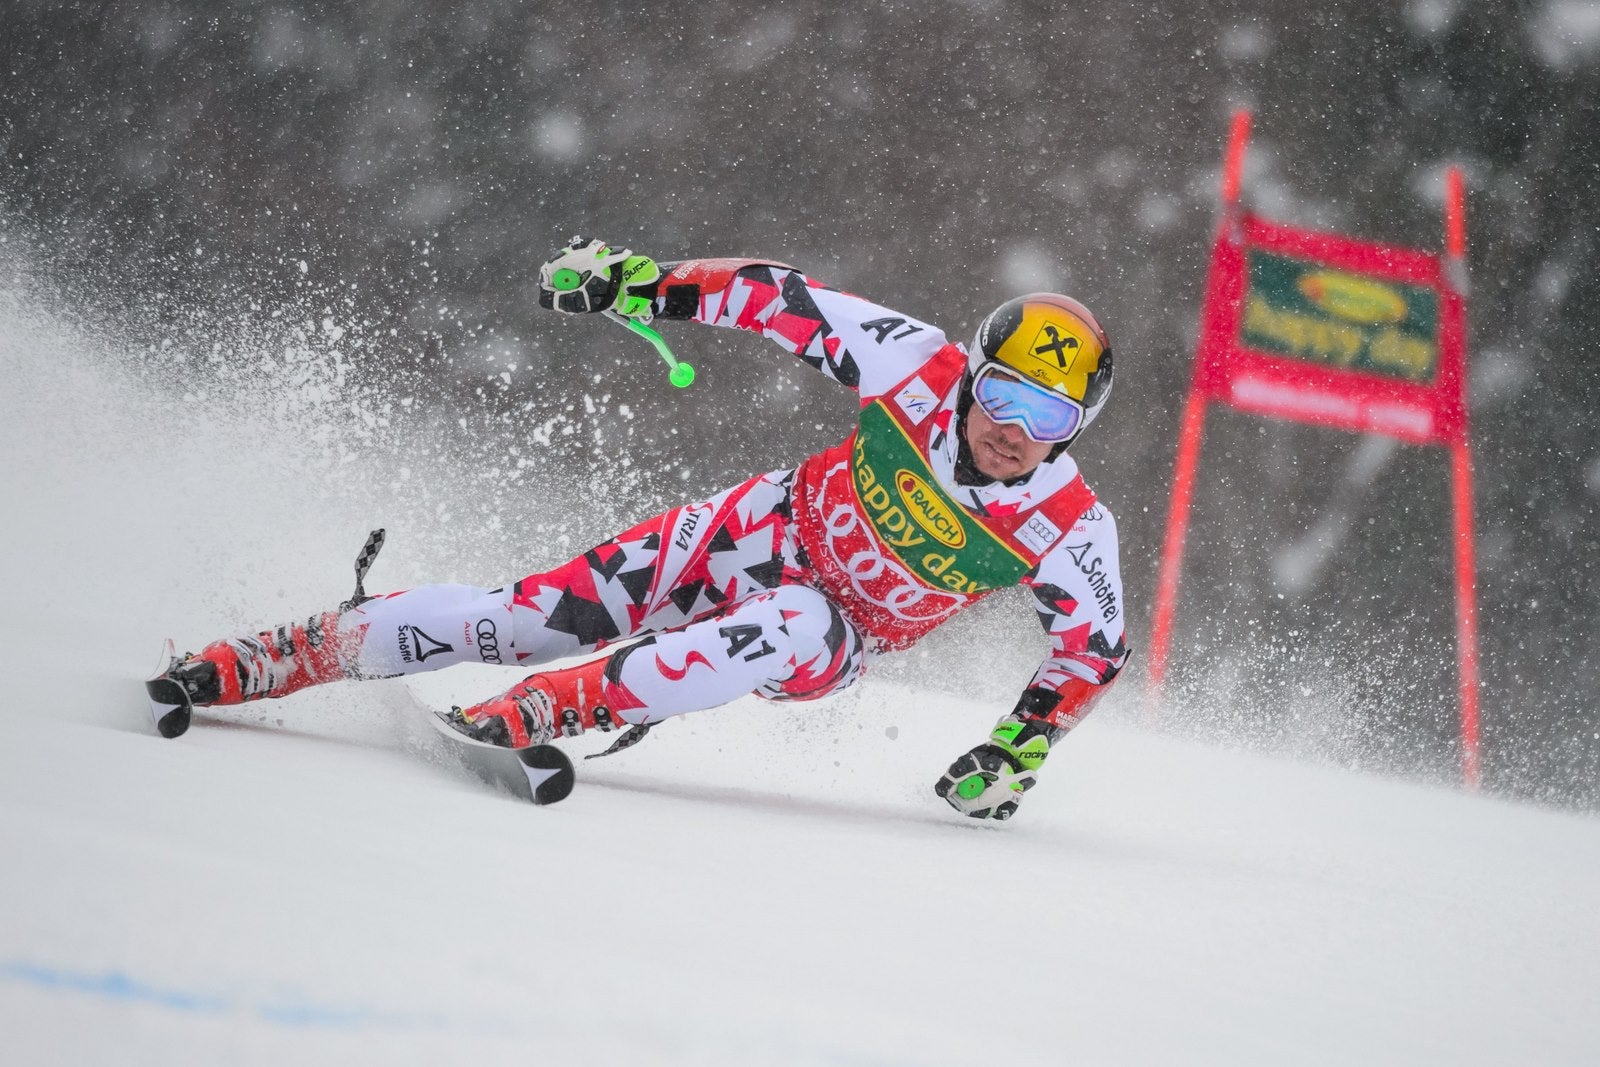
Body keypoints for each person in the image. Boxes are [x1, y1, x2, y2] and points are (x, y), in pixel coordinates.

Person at [160, 237, 1130, 821]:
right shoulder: (912, 364)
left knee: (797, 619)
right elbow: (774, 297)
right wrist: (635, 285)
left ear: (1075, 429)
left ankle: (549, 708)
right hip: (753, 528)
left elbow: (1094, 647)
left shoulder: (1068, 523)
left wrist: (1014, 749)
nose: (1013, 430)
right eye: (1002, 393)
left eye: (1049, 417)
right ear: (969, 374)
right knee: (526, 617)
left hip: (833, 638)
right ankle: (274, 653)